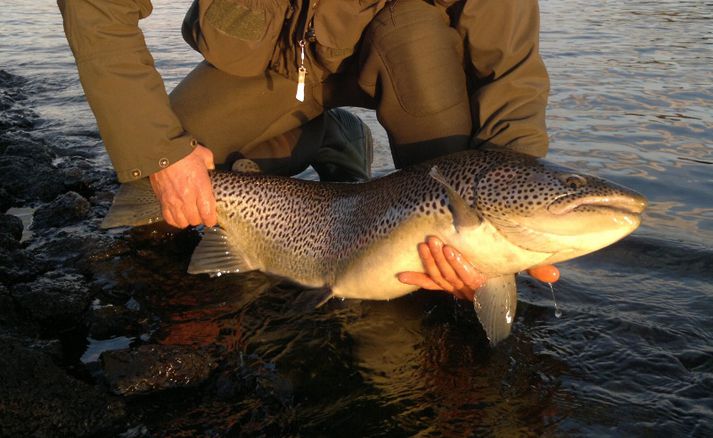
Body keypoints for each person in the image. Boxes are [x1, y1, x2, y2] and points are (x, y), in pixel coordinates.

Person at [58, 0, 559, 300]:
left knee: (445, 242)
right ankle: (328, 136)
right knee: (153, 197)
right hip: (274, 66)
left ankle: (424, 247)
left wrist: (509, 205)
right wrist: (161, 155)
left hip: (403, 59)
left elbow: (509, 66)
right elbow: (97, 9)